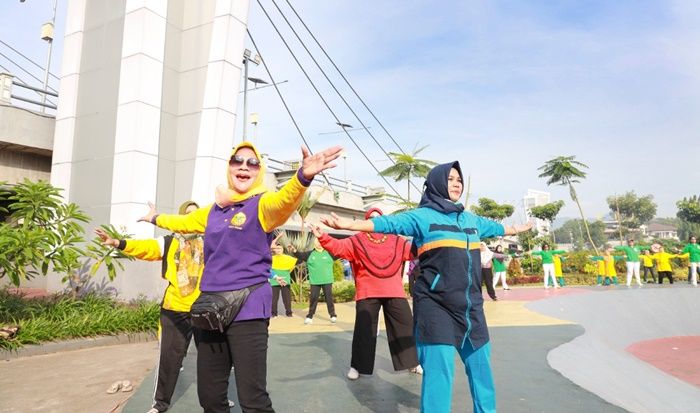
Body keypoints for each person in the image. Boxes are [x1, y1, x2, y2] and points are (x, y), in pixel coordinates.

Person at [138, 141, 341, 413]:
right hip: (210, 310)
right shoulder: (212, 211)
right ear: (229, 167)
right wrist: (155, 217)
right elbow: (182, 222)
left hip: (248, 310)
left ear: (259, 171)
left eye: (252, 162)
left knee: (252, 400)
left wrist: (303, 176)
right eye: (237, 161)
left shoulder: (263, 205)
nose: (244, 166)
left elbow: (285, 200)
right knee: (210, 397)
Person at [320, 161, 532, 413]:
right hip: (436, 308)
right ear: (437, 183)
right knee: (439, 377)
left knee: (481, 371)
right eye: (451, 179)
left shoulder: (470, 219)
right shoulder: (422, 217)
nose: (456, 183)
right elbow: (388, 224)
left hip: (471, 308)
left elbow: (497, 228)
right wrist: (349, 226)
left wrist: (517, 228)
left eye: (459, 179)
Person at [96, 201, 235, 413]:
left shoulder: (212, 241)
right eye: (187, 215)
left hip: (204, 308)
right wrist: (118, 243)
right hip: (174, 309)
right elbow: (146, 248)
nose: (191, 219)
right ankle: (160, 405)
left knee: (213, 358)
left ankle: (219, 399)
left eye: (195, 215)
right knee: (169, 359)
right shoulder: (169, 241)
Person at [310, 207, 422, 380]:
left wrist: (425, 234)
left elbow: (413, 251)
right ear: (366, 222)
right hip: (368, 291)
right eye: (372, 218)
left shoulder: (397, 240)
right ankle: (357, 366)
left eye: (378, 218)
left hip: (394, 290)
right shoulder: (357, 240)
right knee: (364, 331)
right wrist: (323, 237)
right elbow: (339, 247)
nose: (375, 221)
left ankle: (412, 363)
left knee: (405, 326)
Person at [289, 238, 339, 325]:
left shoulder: (330, 253)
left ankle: (332, 315)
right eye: (317, 242)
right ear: (314, 244)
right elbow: (300, 255)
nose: (319, 244)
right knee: (313, 299)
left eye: (320, 242)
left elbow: (340, 253)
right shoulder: (309, 254)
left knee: (329, 298)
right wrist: (294, 250)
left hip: (327, 280)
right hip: (315, 281)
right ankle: (309, 316)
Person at [270, 234, 296, 318]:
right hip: (274, 280)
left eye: (280, 248)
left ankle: (289, 313)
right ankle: (274, 313)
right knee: (274, 298)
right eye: (276, 248)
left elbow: (293, 265)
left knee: (287, 298)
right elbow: (269, 269)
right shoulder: (271, 258)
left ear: (283, 249)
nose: (278, 250)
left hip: (285, 279)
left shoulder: (288, 258)